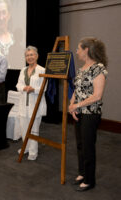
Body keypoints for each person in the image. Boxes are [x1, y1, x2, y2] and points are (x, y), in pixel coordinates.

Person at [68, 37, 108, 192]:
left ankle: (90, 180)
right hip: (79, 112)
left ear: (86, 50)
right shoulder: (81, 69)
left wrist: (77, 105)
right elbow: (77, 90)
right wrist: (72, 106)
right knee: (80, 145)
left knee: (88, 146)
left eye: (78, 48)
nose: (76, 51)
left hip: (91, 114)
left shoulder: (99, 68)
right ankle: (82, 173)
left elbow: (97, 96)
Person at [16, 46, 46, 161]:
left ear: (37, 56)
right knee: (24, 127)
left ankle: (33, 152)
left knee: (33, 129)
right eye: (27, 55)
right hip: (23, 104)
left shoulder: (42, 70)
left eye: (32, 55)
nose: (29, 57)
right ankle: (26, 147)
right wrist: (24, 88)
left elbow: (44, 88)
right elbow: (18, 85)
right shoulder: (23, 70)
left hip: (35, 105)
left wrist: (33, 89)